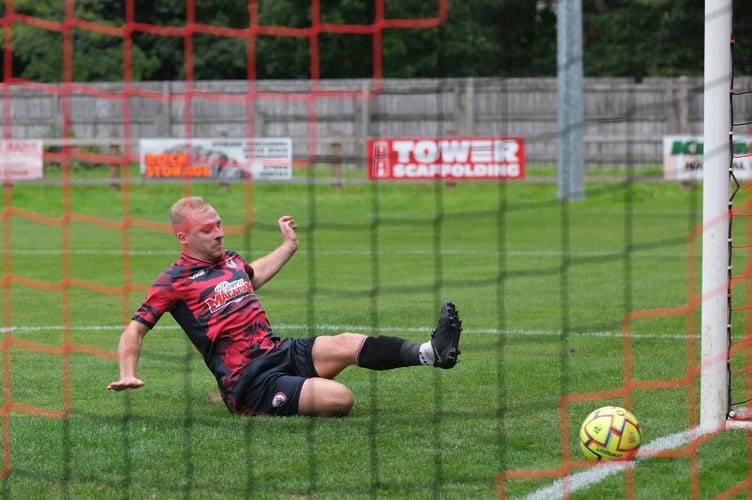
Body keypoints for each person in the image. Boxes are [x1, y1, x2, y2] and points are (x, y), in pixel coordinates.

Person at [106, 196, 463, 417]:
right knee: (342, 399)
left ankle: (432, 353)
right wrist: (127, 371)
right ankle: (242, 399)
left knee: (346, 341)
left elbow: (253, 275)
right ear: (184, 237)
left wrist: (288, 246)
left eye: (218, 225)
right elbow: (135, 329)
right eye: (207, 230)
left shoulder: (230, 261)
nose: (219, 233)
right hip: (251, 380)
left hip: (279, 350)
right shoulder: (174, 280)